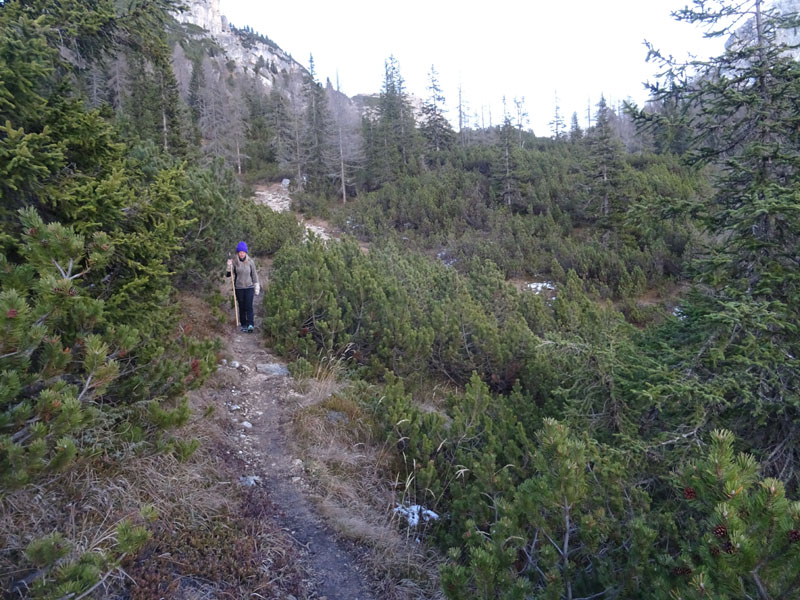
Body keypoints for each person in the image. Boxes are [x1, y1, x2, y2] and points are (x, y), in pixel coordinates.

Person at [226, 241, 260, 332]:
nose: (241, 254)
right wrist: (229, 266)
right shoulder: (234, 262)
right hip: (239, 288)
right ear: (238, 253)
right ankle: (243, 324)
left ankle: (250, 325)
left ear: (246, 252)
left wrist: (256, 285)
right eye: (240, 252)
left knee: (249, 306)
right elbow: (228, 275)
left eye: (243, 252)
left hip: (249, 287)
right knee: (241, 306)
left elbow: (254, 275)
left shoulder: (250, 262)